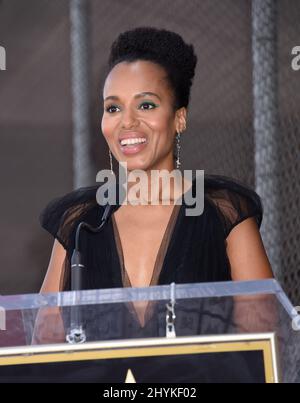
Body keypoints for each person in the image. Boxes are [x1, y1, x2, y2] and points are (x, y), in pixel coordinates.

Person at [38, 26, 273, 329]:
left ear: (179, 118)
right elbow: (43, 349)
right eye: (113, 107)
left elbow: (267, 345)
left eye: (146, 104)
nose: (127, 121)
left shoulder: (224, 213)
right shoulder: (79, 223)